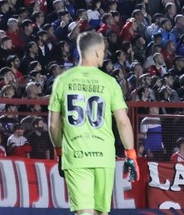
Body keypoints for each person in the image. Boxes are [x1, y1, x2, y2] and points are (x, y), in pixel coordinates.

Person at [48, 31, 138, 215]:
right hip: (103, 156)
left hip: (76, 156)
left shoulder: (62, 81)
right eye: (103, 51)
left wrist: (59, 152)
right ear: (97, 52)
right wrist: (131, 154)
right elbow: (123, 122)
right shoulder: (109, 82)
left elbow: (53, 125)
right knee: (100, 212)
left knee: (84, 212)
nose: (103, 55)